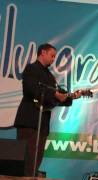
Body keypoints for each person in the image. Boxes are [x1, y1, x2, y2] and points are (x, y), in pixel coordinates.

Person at [14, 43, 81, 177]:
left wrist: (71, 96)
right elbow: (31, 89)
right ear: (42, 53)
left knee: (36, 159)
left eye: (55, 57)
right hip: (29, 121)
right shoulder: (31, 68)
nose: (53, 59)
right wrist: (55, 94)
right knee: (27, 159)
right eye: (52, 56)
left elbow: (58, 95)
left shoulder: (50, 76)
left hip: (42, 124)